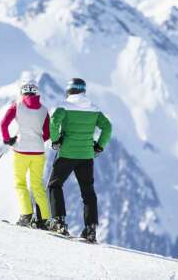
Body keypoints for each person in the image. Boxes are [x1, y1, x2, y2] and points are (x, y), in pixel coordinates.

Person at [47, 78, 112, 243]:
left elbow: (54, 122)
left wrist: (55, 141)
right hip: (86, 156)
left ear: (69, 91)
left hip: (67, 153)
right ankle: (90, 230)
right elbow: (107, 127)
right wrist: (99, 146)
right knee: (88, 191)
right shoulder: (94, 109)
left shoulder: (64, 106)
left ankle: (59, 222)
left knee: (55, 185)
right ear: (83, 91)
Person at [0, 79, 51, 228]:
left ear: (22, 93)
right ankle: (45, 219)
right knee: (37, 186)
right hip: (38, 152)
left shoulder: (16, 107)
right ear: (36, 93)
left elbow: (3, 124)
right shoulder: (44, 110)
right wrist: (38, 140)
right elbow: (47, 133)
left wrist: (8, 139)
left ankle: (26, 215)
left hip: (21, 150)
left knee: (20, 183)